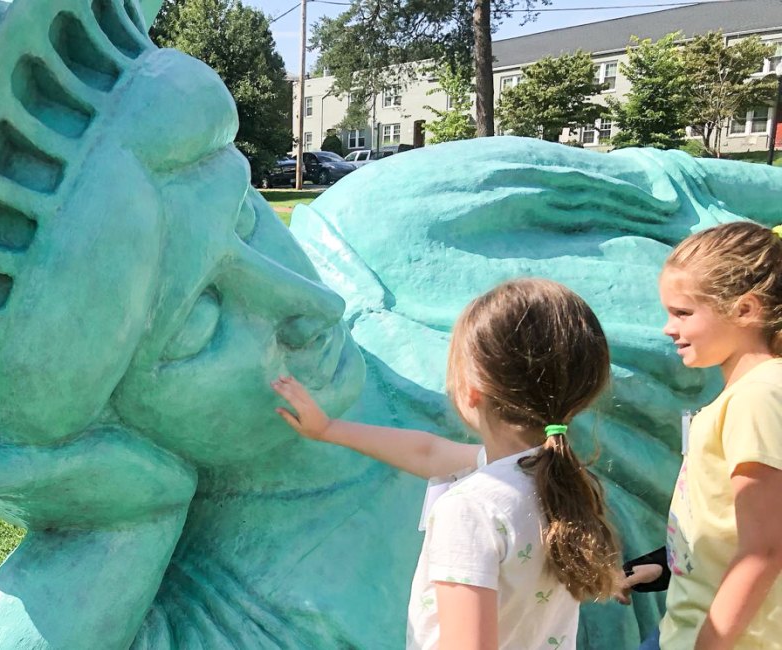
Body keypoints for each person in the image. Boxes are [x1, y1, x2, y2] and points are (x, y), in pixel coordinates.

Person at [272, 278, 622, 649]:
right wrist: (329, 428)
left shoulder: (470, 508)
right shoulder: (552, 475)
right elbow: (430, 454)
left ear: (473, 388)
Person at [620, 221, 782, 650]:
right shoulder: (745, 396)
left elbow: (764, 549)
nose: (667, 329)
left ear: (746, 310)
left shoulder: (757, 399)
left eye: (683, 313)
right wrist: (664, 566)